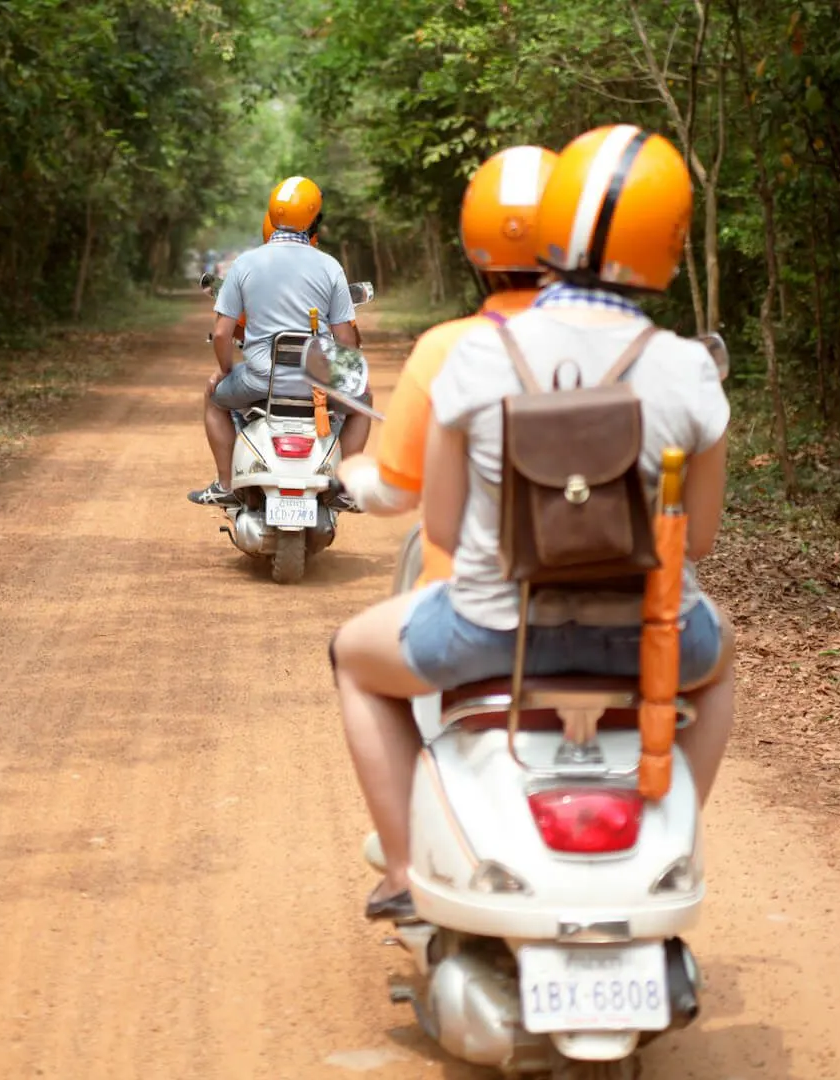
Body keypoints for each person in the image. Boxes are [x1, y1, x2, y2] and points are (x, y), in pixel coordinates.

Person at [329, 124, 736, 923]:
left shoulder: (479, 356)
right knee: (720, 665)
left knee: (352, 658)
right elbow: (705, 536)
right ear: (671, 245)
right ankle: (671, 836)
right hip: (650, 636)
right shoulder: (688, 367)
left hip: (488, 630)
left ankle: (407, 871)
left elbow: (438, 527)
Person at [335, 145, 561, 587]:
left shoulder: (445, 349)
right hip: (615, 611)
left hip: (475, 611)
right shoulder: (633, 346)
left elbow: (394, 493)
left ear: (473, 247)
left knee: (351, 649)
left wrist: (353, 470)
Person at [188, 177, 368, 508]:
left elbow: (224, 333)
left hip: (260, 381)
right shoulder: (330, 266)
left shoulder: (245, 264)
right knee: (363, 403)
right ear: (314, 218)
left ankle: (226, 484)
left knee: (214, 399)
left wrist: (226, 372)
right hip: (318, 385)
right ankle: (345, 490)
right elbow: (345, 338)